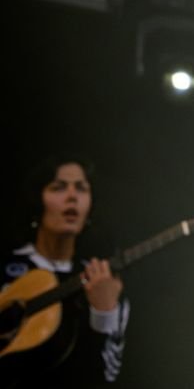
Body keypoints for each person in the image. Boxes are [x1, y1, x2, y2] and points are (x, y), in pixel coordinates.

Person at [1, 156, 128, 385]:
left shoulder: (101, 283)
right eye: (58, 187)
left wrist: (104, 314)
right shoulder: (5, 265)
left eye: (81, 188)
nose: (72, 197)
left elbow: (105, 380)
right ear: (37, 200)